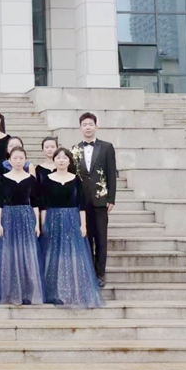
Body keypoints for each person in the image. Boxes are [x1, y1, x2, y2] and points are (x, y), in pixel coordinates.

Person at [40, 147, 102, 308]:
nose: (61, 160)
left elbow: (81, 204)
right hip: (53, 218)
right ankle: (54, 292)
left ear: (69, 161)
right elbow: (43, 204)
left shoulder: (76, 180)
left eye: (64, 158)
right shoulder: (46, 180)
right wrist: (43, 224)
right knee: (53, 254)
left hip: (72, 219)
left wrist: (83, 225)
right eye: (58, 157)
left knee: (72, 254)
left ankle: (74, 291)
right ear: (54, 160)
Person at [72, 112, 117, 288]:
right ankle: (89, 272)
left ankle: (100, 273)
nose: (88, 127)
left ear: (96, 126)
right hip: (83, 201)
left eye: (91, 124)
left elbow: (111, 173)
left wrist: (111, 198)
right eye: (85, 125)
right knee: (86, 238)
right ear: (80, 128)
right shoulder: (74, 149)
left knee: (101, 239)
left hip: (100, 200)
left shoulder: (107, 147)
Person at [0, 147, 44, 305]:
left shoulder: (31, 179)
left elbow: (35, 203)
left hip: (26, 216)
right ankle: (11, 293)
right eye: (15, 158)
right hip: (8, 216)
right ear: (9, 160)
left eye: (21, 158)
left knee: (27, 254)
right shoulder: (3, 178)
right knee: (9, 254)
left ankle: (28, 292)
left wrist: (37, 224)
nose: (18, 161)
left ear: (25, 160)